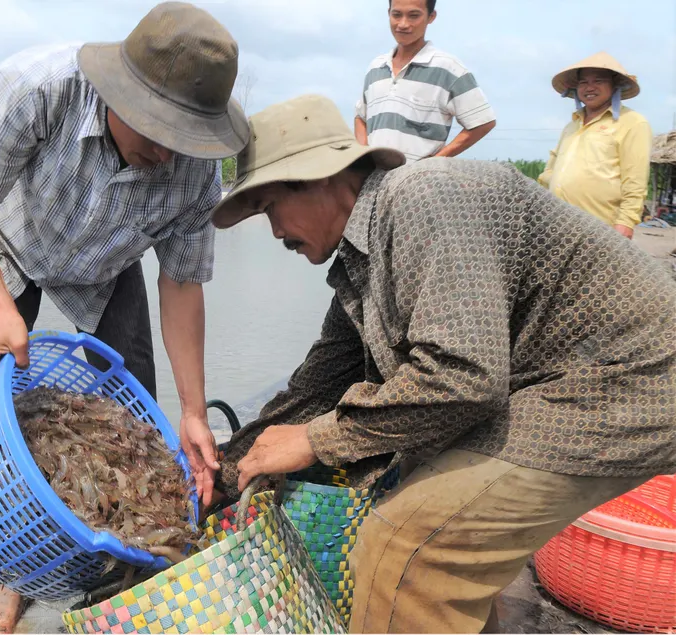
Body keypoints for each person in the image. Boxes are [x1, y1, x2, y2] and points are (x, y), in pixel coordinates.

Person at [210, 94, 676, 634]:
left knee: (406, 547)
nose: (273, 233)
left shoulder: (421, 197)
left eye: (269, 209)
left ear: (319, 179)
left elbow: (464, 377)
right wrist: (225, 472)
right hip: (542, 383)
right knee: (427, 509)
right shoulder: (358, 260)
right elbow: (315, 387)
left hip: (623, 380)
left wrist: (316, 440)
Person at [0, 1, 248, 527]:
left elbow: (183, 283)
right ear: (117, 95)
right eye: (158, 132)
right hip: (10, 240)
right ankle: (8, 556)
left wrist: (193, 412)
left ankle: (123, 539)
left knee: (135, 402)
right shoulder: (33, 92)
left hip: (108, 260)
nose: (169, 155)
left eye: (184, 139)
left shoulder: (197, 175)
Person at [354, 0, 496, 162]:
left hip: (419, 182)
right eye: (397, 15)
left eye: (414, 16)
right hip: (372, 180)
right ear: (389, 14)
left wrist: (434, 161)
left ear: (431, 16)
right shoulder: (376, 68)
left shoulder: (448, 68)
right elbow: (361, 117)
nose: (403, 24)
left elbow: (483, 122)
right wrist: (363, 157)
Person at [537, 52, 652, 239]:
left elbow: (635, 181)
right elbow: (550, 170)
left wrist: (626, 223)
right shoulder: (572, 125)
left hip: (601, 229)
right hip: (558, 224)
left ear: (614, 85)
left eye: (598, 81)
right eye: (583, 82)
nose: (590, 87)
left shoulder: (632, 122)